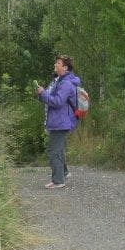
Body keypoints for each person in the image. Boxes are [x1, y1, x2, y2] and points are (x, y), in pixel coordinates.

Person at [35, 54, 81, 189]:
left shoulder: (66, 83)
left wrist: (43, 93)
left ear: (65, 67)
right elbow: (49, 98)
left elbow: (58, 101)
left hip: (61, 122)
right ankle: (64, 172)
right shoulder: (58, 81)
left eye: (58, 63)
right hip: (57, 121)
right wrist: (41, 94)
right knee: (58, 149)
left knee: (54, 150)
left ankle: (58, 180)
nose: (55, 65)